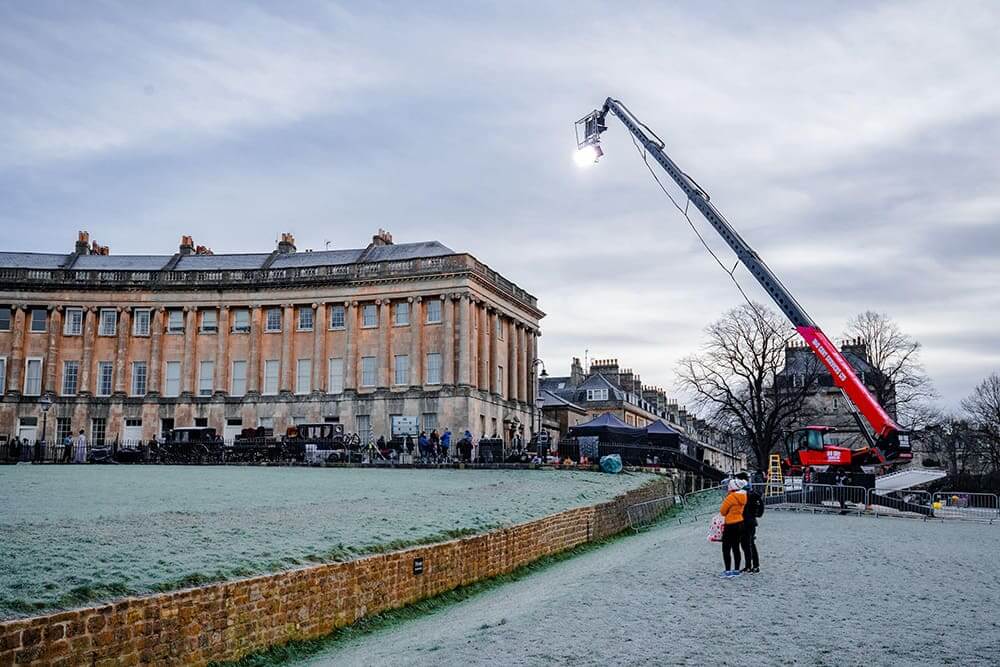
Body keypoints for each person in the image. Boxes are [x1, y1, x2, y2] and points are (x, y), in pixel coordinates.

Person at [718, 478, 747, 578]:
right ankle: (736, 570)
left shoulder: (731, 497)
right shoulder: (743, 496)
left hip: (730, 523)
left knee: (726, 548)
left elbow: (722, 511)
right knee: (736, 547)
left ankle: (727, 570)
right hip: (740, 522)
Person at [736, 472, 763, 573]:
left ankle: (749, 565)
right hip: (751, 521)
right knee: (750, 543)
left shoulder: (743, 495)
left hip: (745, 521)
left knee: (746, 544)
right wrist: (758, 514)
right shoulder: (752, 493)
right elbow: (760, 503)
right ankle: (754, 565)